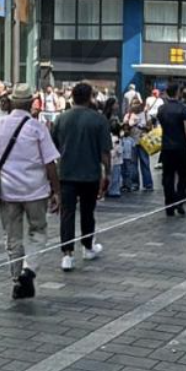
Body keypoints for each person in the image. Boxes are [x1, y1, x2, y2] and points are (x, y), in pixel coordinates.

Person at [0, 84, 62, 299]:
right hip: (36, 190)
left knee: (12, 236)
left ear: (13, 102)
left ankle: (17, 280)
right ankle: (30, 268)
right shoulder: (38, 128)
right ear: (30, 103)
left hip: (7, 191)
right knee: (38, 231)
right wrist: (56, 191)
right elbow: (50, 163)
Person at [52, 82, 111, 271]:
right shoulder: (99, 120)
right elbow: (105, 153)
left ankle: (67, 255)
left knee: (66, 214)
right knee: (88, 212)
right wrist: (107, 173)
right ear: (89, 98)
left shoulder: (60, 119)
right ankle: (87, 247)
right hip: (90, 174)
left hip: (66, 173)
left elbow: (52, 149)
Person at [156, 83, 186, 216]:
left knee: (168, 177)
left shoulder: (161, 109)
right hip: (182, 147)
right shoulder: (183, 109)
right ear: (178, 93)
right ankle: (179, 200)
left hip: (167, 147)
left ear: (167, 93)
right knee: (184, 175)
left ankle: (169, 204)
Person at [124, 98, 155, 193]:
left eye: (137, 103)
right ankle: (135, 184)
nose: (135, 105)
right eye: (133, 103)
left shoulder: (146, 114)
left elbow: (150, 128)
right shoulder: (128, 116)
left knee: (145, 163)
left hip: (143, 142)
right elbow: (125, 130)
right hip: (132, 142)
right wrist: (130, 125)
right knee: (133, 164)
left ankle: (148, 184)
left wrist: (143, 127)